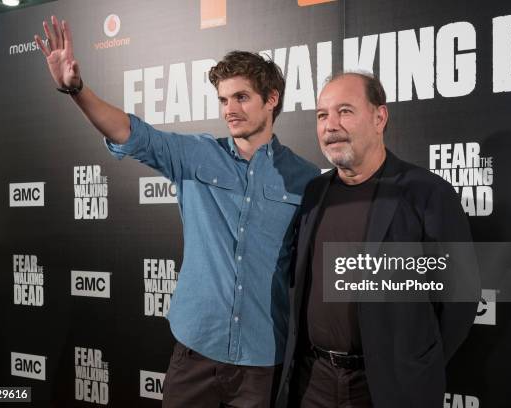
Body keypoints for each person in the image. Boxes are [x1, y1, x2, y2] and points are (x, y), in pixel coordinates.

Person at [35, 16, 319, 408]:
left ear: (271, 99)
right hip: (196, 352)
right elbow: (130, 133)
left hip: (261, 360)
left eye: (241, 97)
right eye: (223, 99)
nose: (229, 110)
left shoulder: (305, 179)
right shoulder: (196, 154)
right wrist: (77, 90)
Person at [276, 72, 480, 408]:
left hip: (389, 387)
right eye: (322, 115)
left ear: (379, 117)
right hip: (314, 382)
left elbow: (460, 295)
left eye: (345, 111)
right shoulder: (314, 192)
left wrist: (416, 362)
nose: (330, 126)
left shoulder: (427, 192)